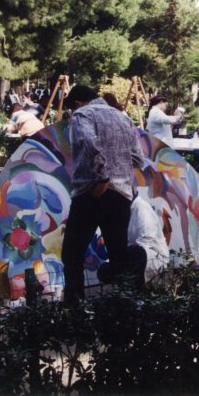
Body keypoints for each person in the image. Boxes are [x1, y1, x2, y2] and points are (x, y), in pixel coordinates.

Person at [61, 85, 145, 303]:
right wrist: (117, 163)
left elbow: (88, 142)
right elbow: (138, 158)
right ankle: (125, 305)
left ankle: (74, 309)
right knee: (118, 254)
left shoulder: (83, 114)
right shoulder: (122, 117)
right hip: (122, 194)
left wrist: (102, 176)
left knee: (72, 253)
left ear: (78, 103)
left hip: (93, 191)